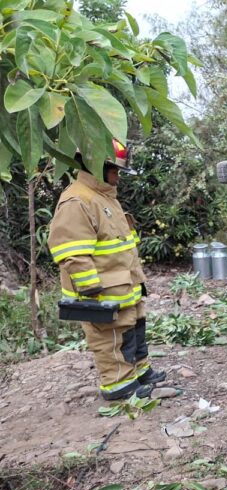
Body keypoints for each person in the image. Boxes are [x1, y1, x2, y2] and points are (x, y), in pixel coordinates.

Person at [47, 139, 166, 400]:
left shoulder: (105, 198)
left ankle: (138, 370)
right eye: (114, 170)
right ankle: (118, 385)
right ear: (96, 165)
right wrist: (90, 290)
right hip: (102, 292)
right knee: (110, 338)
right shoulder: (77, 200)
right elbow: (71, 252)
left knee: (134, 327)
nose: (118, 177)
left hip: (124, 285)